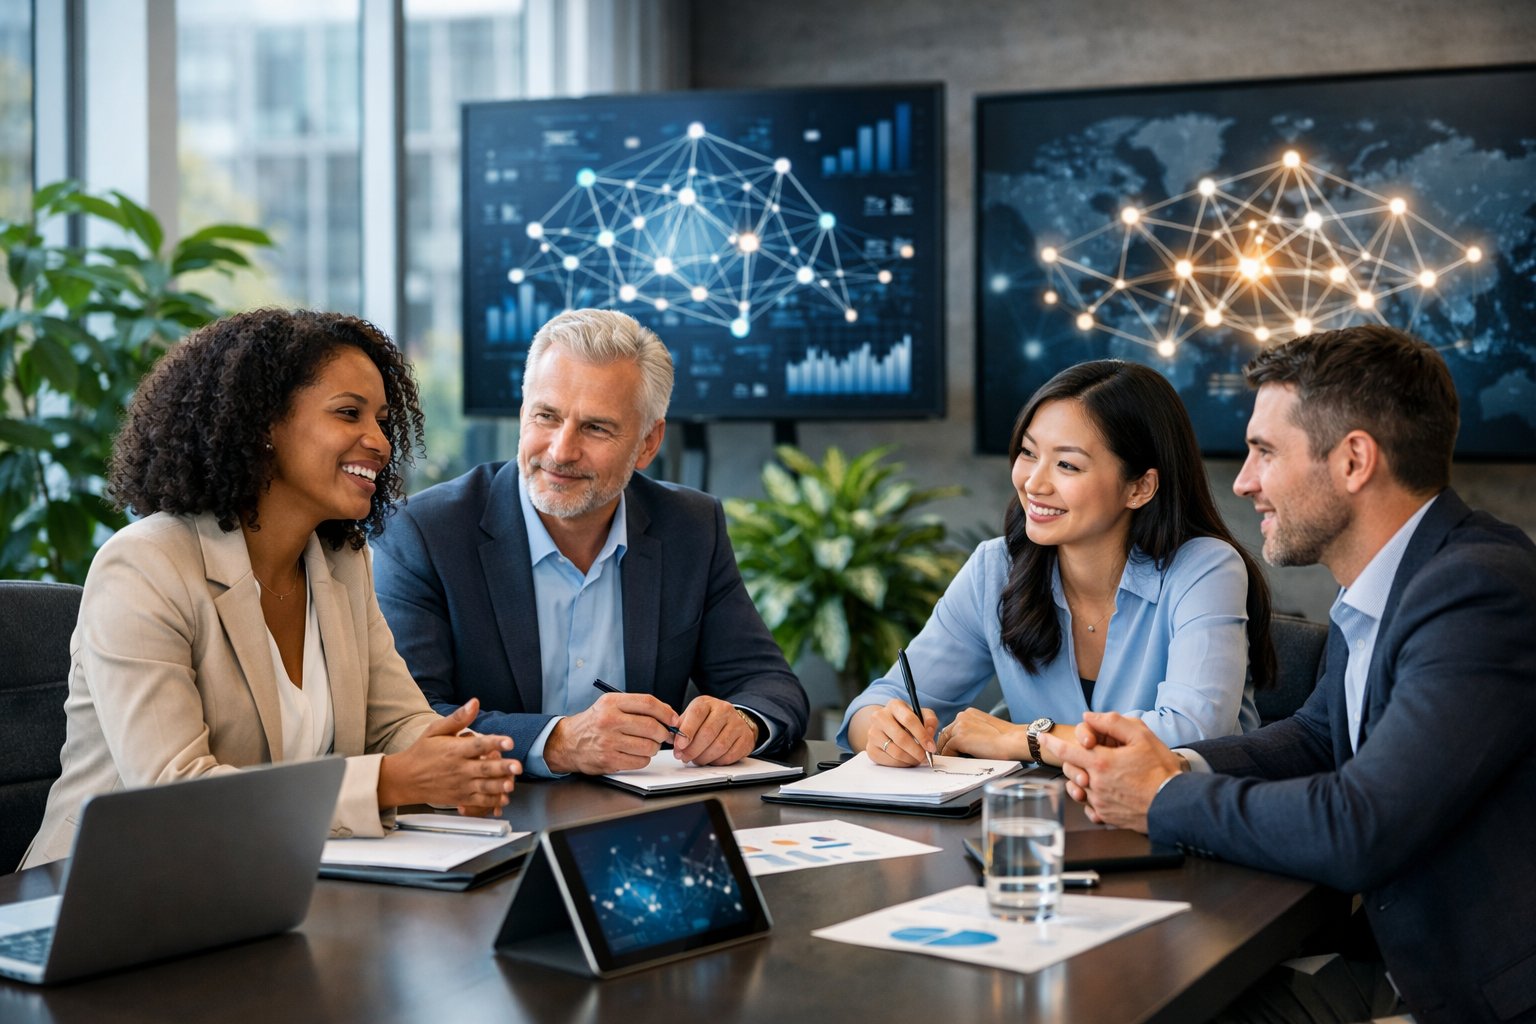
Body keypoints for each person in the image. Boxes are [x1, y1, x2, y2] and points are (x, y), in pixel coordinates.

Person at [1044, 326, 1536, 1024]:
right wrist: (1171, 761)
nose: (1243, 482)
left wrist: (1159, 798)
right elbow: (1316, 736)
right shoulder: (1394, 584)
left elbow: (1359, 825)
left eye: (1265, 452)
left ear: (1354, 460)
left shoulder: (1475, 593)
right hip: (1407, 970)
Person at [23, 310, 522, 869]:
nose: (380, 442)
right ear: (263, 424)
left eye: (383, 420)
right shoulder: (145, 565)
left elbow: (394, 722)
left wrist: (455, 757)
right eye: (349, 414)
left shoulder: (341, 563)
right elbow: (172, 795)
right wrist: (385, 782)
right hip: (112, 890)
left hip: (268, 879)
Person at [372, 308, 808, 777]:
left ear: (647, 443)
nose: (561, 451)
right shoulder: (426, 532)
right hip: (491, 818)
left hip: (644, 822)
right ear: (523, 414)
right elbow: (409, 723)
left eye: (596, 427)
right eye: (546, 416)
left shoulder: (690, 527)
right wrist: (558, 741)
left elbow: (769, 685)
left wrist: (741, 721)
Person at [842, 359, 1273, 766]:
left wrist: (1024, 738)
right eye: (1029, 453)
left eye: (1067, 464)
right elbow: (876, 705)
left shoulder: (1205, 568)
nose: (1033, 482)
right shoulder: (995, 570)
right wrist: (885, 733)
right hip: (1040, 828)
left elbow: (1194, 733)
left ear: (1140, 487)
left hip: (1178, 830)